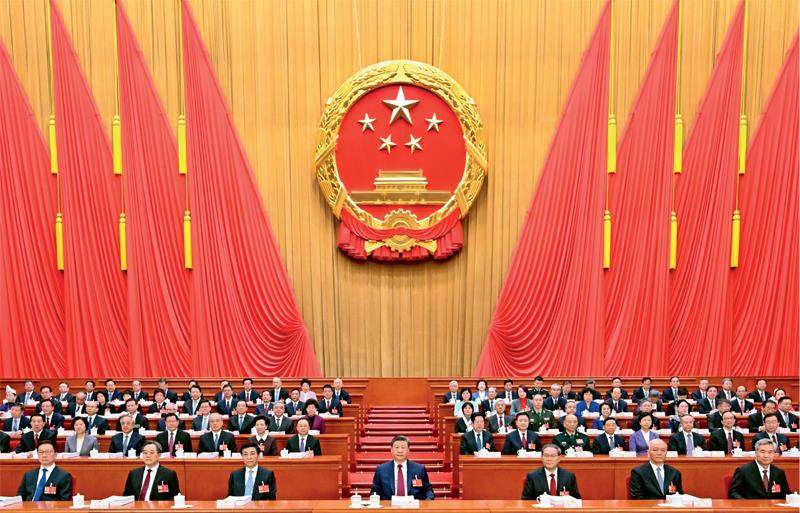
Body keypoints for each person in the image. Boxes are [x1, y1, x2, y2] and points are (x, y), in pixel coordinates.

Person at [370, 435, 434, 500]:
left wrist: (428, 501)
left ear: (408, 450)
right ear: (391, 450)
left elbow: (428, 491)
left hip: (413, 505)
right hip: (389, 505)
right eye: (397, 447)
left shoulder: (419, 469)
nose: (400, 451)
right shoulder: (381, 470)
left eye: (403, 447)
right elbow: (375, 492)